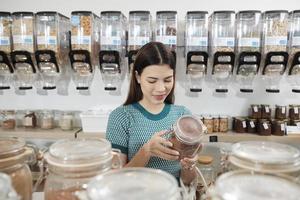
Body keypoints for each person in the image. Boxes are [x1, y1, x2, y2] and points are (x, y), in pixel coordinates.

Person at [106, 42, 197, 185]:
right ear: (137, 77)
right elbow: (114, 180)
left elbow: (188, 182)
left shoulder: (183, 115)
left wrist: (189, 164)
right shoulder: (121, 117)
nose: (161, 88)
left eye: (168, 80)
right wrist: (146, 151)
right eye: (152, 81)